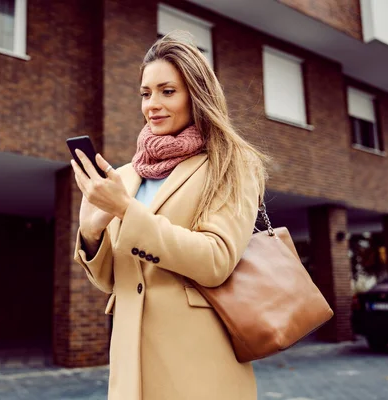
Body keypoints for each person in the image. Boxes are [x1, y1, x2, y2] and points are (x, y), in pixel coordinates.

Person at [70, 32, 268, 400]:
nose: (152, 104)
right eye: (145, 93)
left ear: (197, 95)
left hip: (199, 368)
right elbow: (113, 282)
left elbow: (216, 260)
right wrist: (92, 232)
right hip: (130, 368)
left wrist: (126, 212)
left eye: (167, 91)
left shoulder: (231, 163)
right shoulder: (126, 175)